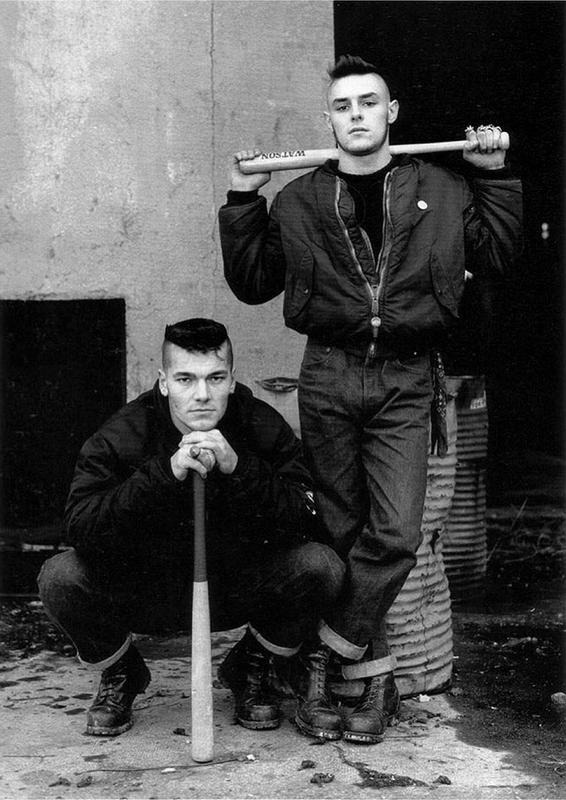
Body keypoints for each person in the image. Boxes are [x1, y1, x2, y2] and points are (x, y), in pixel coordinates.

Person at [218, 55, 523, 744]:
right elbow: (252, 282)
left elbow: (500, 254)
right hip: (327, 374)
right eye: (343, 106)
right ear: (329, 119)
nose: (355, 114)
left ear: (392, 114)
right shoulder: (298, 200)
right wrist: (243, 199)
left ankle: (322, 655)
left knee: (394, 534)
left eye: (368, 103)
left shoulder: (441, 188)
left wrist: (495, 173)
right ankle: (370, 683)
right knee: (343, 534)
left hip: (408, 378)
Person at [38, 317, 345, 737]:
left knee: (321, 566)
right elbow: (80, 526)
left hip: (234, 590)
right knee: (60, 577)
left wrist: (239, 469)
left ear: (232, 381)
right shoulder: (123, 433)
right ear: (163, 382)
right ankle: (122, 670)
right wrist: (163, 476)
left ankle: (251, 665)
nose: (202, 395)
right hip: (150, 591)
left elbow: (312, 516)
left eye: (215, 378)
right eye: (185, 379)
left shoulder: (260, 424)